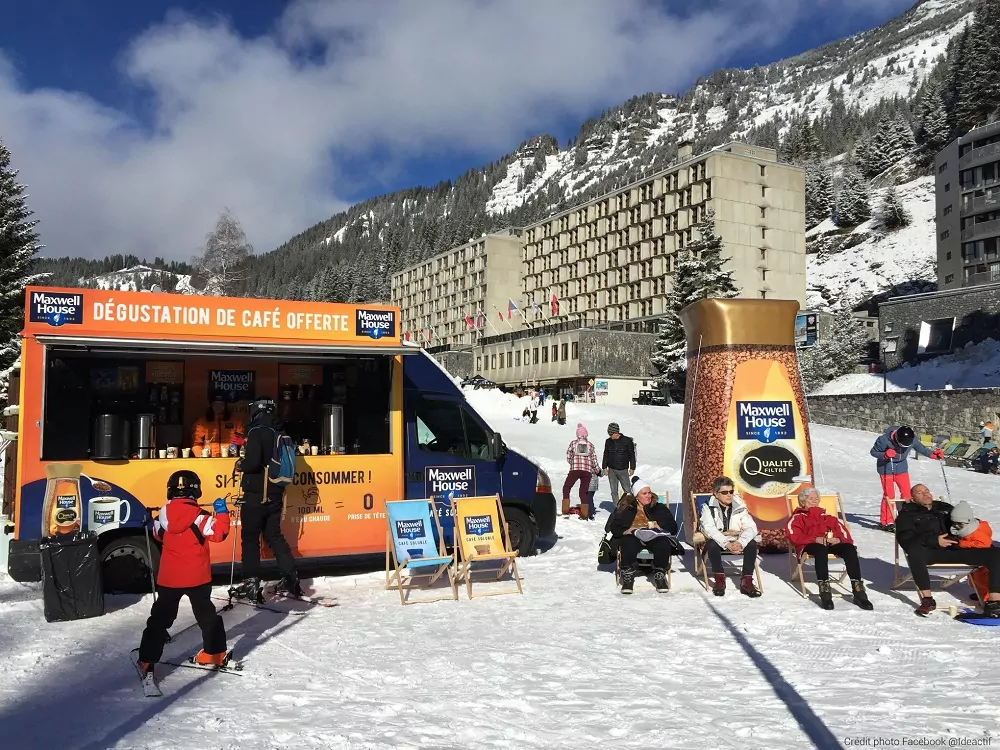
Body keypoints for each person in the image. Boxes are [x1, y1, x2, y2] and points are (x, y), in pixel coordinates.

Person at [137, 470, 231, 682]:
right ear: (196, 490)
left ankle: (147, 660)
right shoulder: (201, 517)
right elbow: (219, 534)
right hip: (198, 576)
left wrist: (150, 520)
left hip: (170, 578)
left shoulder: (162, 515)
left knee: (160, 619)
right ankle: (214, 653)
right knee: (207, 616)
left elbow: (157, 535)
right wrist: (222, 513)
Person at [231, 397, 300, 602]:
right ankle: (290, 577)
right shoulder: (280, 430)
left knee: (250, 539)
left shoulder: (256, 430)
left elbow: (253, 463)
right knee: (274, 535)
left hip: (256, 494)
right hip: (275, 492)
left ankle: (251, 583)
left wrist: (240, 464)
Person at [895, 484, 1000, 618]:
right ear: (913, 498)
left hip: (955, 549)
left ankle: (994, 602)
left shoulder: (944, 508)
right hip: (931, 553)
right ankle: (927, 600)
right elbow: (905, 539)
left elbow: (963, 521)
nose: (925, 494)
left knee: (995, 553)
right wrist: (934, 540)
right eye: (920, 493)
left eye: (926, 491)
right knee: (914, 551)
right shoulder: (907, 515)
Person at [785, 488, 873, 610]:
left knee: (849, 548)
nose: (814, 501)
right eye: (811, 498)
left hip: (830, 544)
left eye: (816, 499)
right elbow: (793, 536)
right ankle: (825, 591)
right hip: (810, 545)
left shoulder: (828, 518)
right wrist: (815, 539)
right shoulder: (798, 517)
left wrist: (839, 540)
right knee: (820, 549)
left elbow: (845, 534)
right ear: (803, 500)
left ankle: (858, 591)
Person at [607, 479, 678, 594]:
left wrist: (660, 526)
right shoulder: (627, 508)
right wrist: (626, 531)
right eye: (644, 493)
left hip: (654, 535)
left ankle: (660, 574)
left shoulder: (658, 507)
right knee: (627, 542)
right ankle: (628, 576)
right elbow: (614, 527)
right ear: (636, 496)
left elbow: (673, 526)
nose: (648, 496)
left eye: (649, 492)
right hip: (634, 535)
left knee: (663, 542)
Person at [870, 425, 943, 532]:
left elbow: (921, 448)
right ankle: (886, 522)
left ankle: (906, 518)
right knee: (889, 495)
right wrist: (885, 455)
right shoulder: (883, 440)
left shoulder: (912, 439)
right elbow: (873, 452)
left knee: (907, 494)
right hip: (886, 468)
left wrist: (933, 455)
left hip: (901, 468)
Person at [699, 476, 761, 598]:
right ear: (716, 494)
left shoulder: (739, 506)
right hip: (719, 541)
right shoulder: (708, 507)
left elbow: (751, 527)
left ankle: (746, 580)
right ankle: (719, 579)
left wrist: (740, 543)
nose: (729, 495)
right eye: (724, 492)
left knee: (752, 543)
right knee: (712, 543)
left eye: (731, 492)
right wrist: (727, 544)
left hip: (737, 539)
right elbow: (709, 528)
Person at [950, 501, 994, 605]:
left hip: (984, 560)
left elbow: (984, 544)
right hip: (976, 558)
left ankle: (988, 599)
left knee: (983, 580)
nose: (957, 526)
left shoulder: (977, 532)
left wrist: (961, 544)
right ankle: (981, 594)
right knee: (975, 578)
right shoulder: (969, 529)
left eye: (959, 524)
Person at [563, 424, 599, 519]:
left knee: (567, 487)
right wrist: (596, 470)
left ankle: (565, 509)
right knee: (583, 492)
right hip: (587, 471)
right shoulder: (590, 445)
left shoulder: (573, 443)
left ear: (577, 435)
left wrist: (573, 463)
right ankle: (584, 514)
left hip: (575, 469)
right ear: (586, 435)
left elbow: (568, 455)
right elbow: (594, 460)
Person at [602, 422, 636, 503]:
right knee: (614, 491)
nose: (610, 436)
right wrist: (604, 467)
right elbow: (606, 454)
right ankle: (617, 509)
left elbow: (632, 455)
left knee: (627, 491)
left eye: (611, 434)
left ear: (616, 432)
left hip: (623, 469)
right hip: (611, 469)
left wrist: (632, 468)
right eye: (609, 434)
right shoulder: (608, 441)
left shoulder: (627, 441)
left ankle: (630, 508)